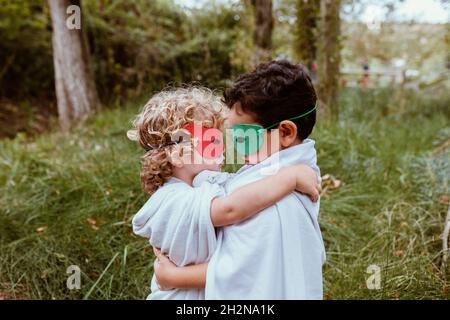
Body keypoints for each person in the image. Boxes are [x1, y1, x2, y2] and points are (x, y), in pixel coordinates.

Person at [153, 60, 326, 299]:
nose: (235, 144)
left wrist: (171, 277)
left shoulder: (276, 203)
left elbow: (244, 272)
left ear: (285, 132)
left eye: (245, 135)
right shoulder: (275, 172)